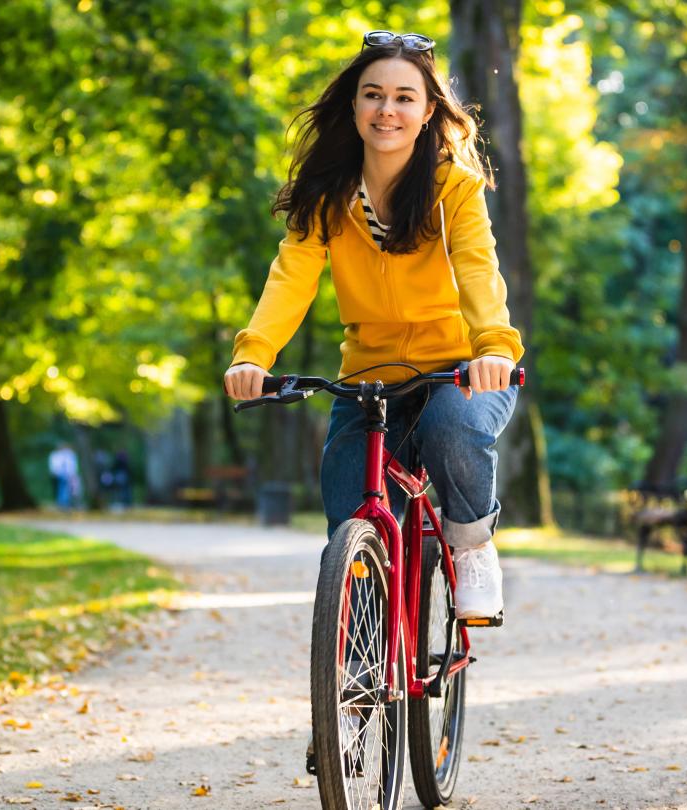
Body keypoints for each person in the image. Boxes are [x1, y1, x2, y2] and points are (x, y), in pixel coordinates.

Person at [223, 30, 522, 621]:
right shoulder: (327, 196)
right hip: (369, 374)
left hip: (461, 371)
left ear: (428, 109)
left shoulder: (454, 189)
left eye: (405, 97)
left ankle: (470, 545)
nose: (388, 110)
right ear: (354, 105)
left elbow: (477, 270)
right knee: (348, 508)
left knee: (451, 430)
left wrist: (491, 346)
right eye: (373, 95)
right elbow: (291, 277)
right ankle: (358, 651)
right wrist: (253, 355)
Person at [48, 442, 80, 510]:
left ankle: (64, 503)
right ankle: (64, 504)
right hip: (63, 474)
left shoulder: (63, 454)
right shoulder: (61, 455)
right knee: (64, 489)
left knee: (66, 489)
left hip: (65, 474)